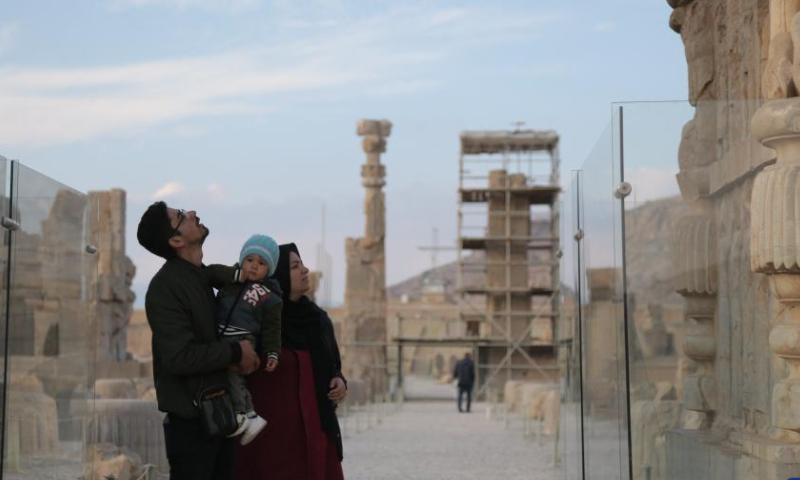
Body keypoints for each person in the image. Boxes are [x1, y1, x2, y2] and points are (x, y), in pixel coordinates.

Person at [137, 202, 260, 480]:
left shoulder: (202, 276)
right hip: (193, 428)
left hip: (220, 418)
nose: (192, 213)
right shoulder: (164, 288)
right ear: (176, 240)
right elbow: (179, 357)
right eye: (181, 216)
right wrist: (234, 352)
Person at [235, 243, 347, 480]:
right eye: (296, 266)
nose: (305, 270)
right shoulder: (260, 319)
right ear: (279, 275)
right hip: (270, 442)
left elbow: (332, 363)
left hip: (315, 433)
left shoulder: (317, 320)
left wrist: (339, 380)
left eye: (303, 264)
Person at [215, 234, 282, 445]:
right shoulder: (230, 280)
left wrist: (273, 352)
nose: (254, 266)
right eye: (250, 260)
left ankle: (242, 414)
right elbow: (210, 274)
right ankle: (250, 416)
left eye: (261, 263)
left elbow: (273, 329)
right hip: (222, 336)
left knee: (233, 374)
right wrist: (234, 274)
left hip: (243, 338)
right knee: (231, 377)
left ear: (268, 270)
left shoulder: (269, 297)